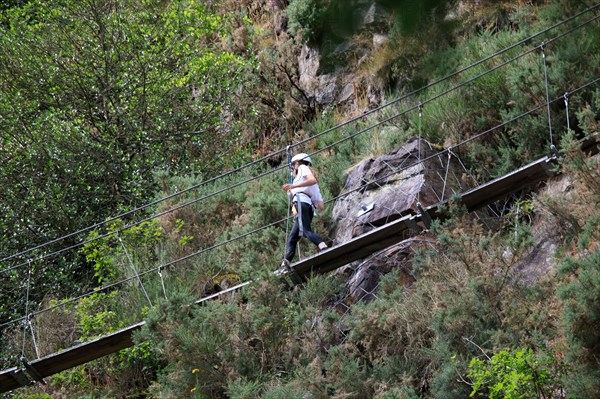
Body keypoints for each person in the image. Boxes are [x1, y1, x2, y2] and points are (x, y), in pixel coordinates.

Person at [281, 153, 328, 268]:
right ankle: (284, 264)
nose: (293, 170)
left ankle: (324, 247)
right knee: (292, 238)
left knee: (305, 231)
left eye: (292, 167)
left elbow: (311, 180)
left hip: (301, 204)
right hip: (307, 207)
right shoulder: (310, 183)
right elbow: (321, 206)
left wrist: (294, 186)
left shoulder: (302, 168)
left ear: (297, 164)